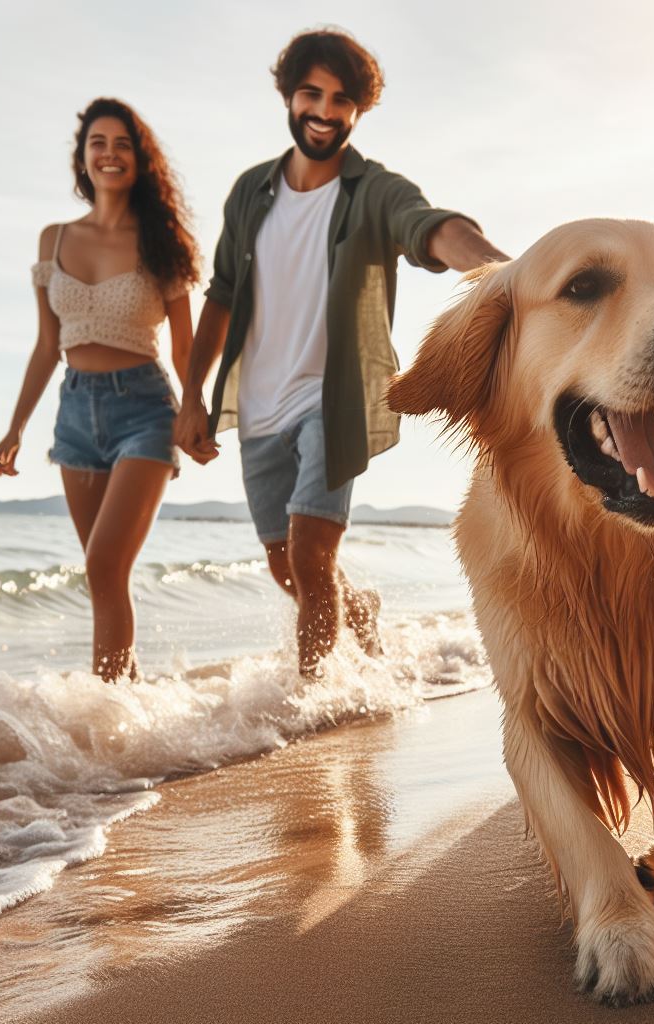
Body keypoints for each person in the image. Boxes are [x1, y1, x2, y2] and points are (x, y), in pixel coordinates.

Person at [173, 29, 508, 677]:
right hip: (260, 408)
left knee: (310, 556)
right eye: (311, 94)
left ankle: (313, 700)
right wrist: (192, 397)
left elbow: (431, 227)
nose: (324, 112)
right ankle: (362, 615)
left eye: (341, 100)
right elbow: (220, 295)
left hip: (335, 401)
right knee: (286, 565)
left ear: (359, 110)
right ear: (288, 97)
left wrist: (501, 272)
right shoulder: (250, 192)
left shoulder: (374, 191)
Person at [0, 98, 199, 681]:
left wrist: (196, 408)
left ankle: (106, 729)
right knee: (102, 578)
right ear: (82, 158)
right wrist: (16, 427)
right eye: (98, 143)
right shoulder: (53, 239)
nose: (110, 154)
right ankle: (129, 713)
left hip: (145, 409)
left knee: (105, 566)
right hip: (74, 415)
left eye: (122, 144)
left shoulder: (162, 241)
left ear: (139, 159)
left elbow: (184, 348)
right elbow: (44, 346)